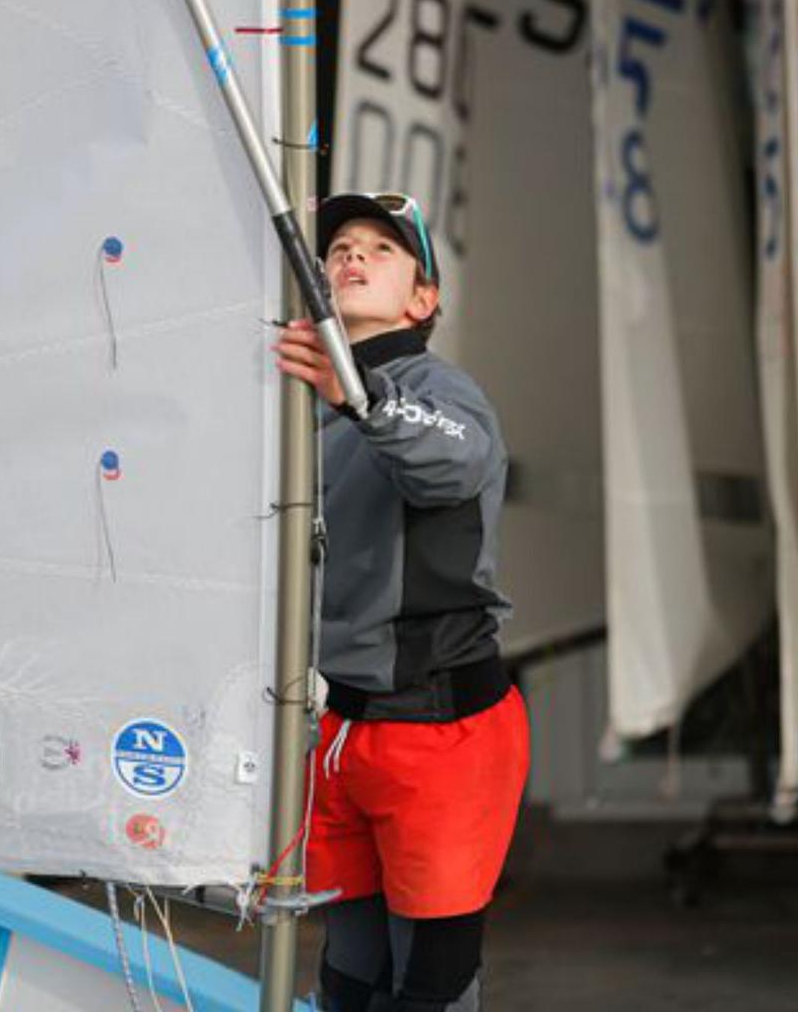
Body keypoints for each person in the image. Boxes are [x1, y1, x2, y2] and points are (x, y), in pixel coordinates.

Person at [272, 192, 530, 1011]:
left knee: (430, 983)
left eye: (381, 251)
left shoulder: (437, 391)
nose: (352, 255)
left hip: (440, 727)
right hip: (342, 727)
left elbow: (456, 461)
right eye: (339, 246)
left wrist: (364, 397)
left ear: (423, 300)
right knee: (349, 970)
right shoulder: (294, 403)